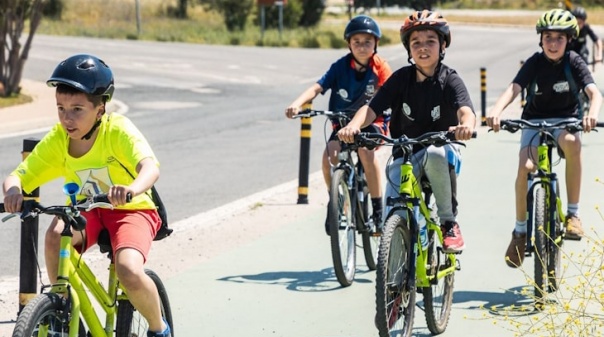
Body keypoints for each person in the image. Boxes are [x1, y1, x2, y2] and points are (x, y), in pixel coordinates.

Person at [2, 54, 171, 337]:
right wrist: (13, 192)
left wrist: (131, 189)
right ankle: (60, 310)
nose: (67, 118)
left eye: (77, 109)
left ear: (101, 108)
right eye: (61, 108)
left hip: (133, 210)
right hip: (88, 212)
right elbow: (17, 175)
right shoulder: (59, 140)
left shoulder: (117, 131)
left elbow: (149, 168)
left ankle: (159, 329)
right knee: (55, 233)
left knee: (128, 269)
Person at [337, 10, 476, 253]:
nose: (423, 48)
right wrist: (353, 126)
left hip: (443, 153)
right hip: (406, 155)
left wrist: (466, 126)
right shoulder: (401, 78)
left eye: (430, 41)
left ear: (442, 45)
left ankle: (448, 222)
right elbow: (371, 109)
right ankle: (398, 286)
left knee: (435, 153)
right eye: (416, 43)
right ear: (408, 49)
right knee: (393, 218)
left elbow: (466, 110)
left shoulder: (450, 79)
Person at [486, 9, 602, 268]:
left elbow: (595, 94)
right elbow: (514, 88)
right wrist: (495, 111)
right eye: (547, 37)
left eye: (559, 38)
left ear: (569, 40)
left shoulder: (574, 62)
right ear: (540, 40)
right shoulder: (534, 62)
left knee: (573, 144)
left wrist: (592, 115)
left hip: (565, 121)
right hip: (534, 121)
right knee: (525, 167)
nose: (552, 43)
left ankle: (573, 214)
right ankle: (519, 232)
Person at [285, 15, 392, 235]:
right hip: (343, 125)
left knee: (365, 151)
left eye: (367, 42)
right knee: (329, 157)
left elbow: (389, 95)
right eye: (356, 42)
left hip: (373, 123)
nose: (362, 47)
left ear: (376, 44)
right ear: (349, 44)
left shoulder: (381, 68)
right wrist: (297, 104)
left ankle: (378, 210)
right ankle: (336, 201)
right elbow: (317, 87)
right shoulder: (340, 67)